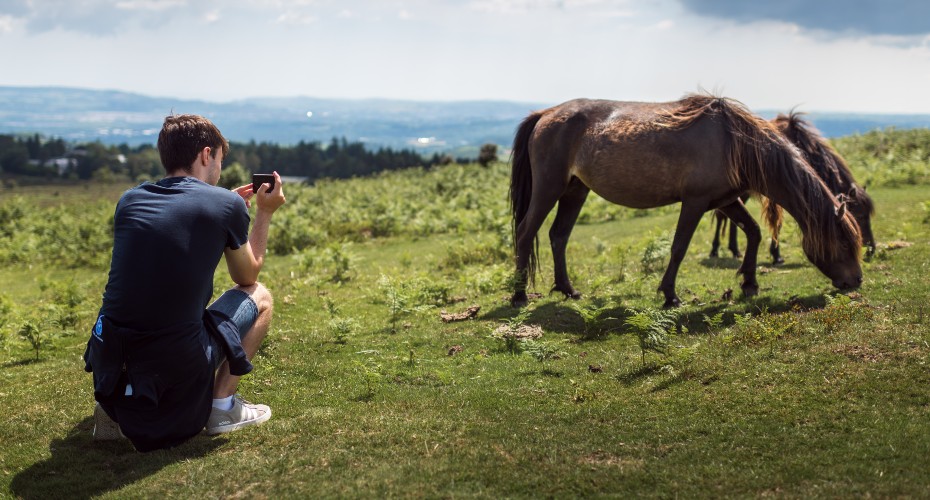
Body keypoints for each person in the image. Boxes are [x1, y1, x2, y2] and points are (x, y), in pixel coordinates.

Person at [83, 114, 286, 451]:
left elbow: (180, 218)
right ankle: (222, 408)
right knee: (259, 295)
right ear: (207, 155)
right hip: (174, 361)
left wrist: (225, 205)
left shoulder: (130, 201)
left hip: (111, 355)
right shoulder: (225, 204)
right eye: (220, 159)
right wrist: (262, 213)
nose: (219, 168)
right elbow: (247, 276)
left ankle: (113, 410)